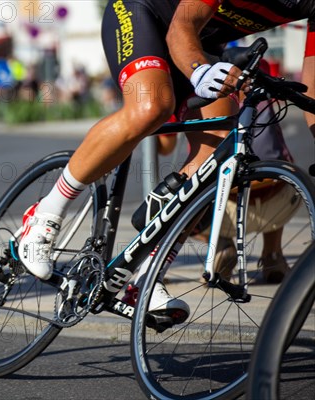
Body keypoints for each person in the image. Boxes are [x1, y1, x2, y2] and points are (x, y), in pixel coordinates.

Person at [17, 0, 314, 316]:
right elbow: (180, 28)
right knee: (152, 108)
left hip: (203, 42)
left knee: (214, 160)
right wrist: (198, 70)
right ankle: (44, 215)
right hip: (144, 13)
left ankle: (147, 274)